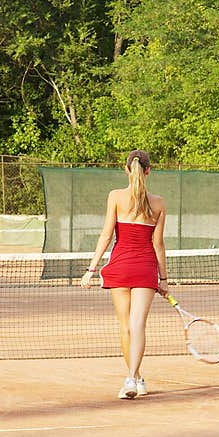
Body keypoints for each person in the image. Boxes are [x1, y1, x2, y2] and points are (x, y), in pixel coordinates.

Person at [81, 150, 168, 399]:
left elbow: (106, 235)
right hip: (145, 269)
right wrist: (163, 279)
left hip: (120, 266)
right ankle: (135, 377)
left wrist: (91, 269)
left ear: (127, 169)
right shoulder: (159, 203)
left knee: (125, 326)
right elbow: (158, 244)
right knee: (138, 324)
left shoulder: (116, 197)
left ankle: (133, 378)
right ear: (148, 171)